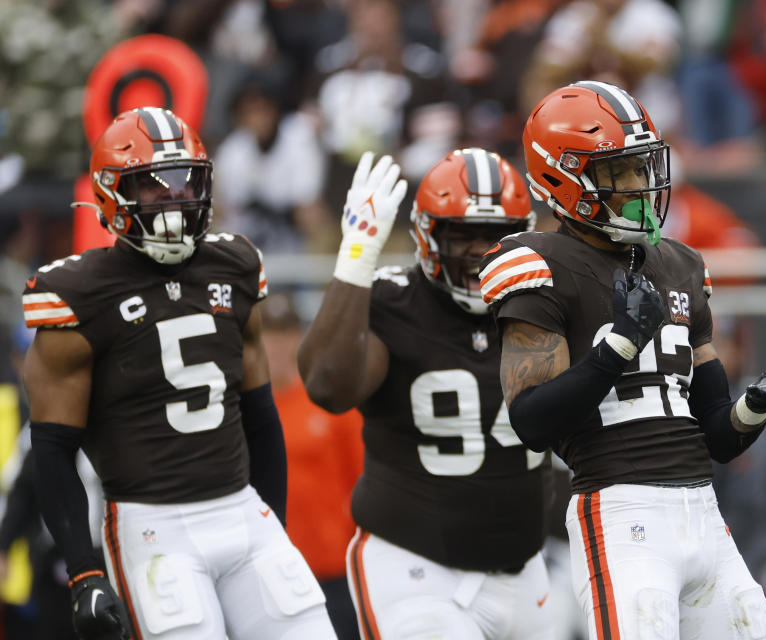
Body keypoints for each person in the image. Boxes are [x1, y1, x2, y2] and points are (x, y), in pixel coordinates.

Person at [479, 80, 766, 640]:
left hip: (704, 515)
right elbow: (532, 422)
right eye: (621, 173)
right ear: (563, 177)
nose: (641, 185)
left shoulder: (680, 265)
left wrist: (754, 402)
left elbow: (718, 438)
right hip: (620, 511)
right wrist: (617, 346)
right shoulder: (538, 263)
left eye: (642, 167)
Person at [21, 107, 336, 640]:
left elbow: (260, 416)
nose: (175, 199)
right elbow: (51, 449)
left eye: (185, 182)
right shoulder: (76, 293)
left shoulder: (234, 265)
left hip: (241, 511)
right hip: (153, 526)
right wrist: (84, 570)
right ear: (111, 195)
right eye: (153, 187)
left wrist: (272, 525)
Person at [298, 148, 556, 639]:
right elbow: (328, 387)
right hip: (416, 567)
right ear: (427, 235)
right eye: (463, 235)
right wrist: (357, 253)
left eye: (496, 235)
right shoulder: (393, 301)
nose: (483, 252)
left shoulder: (542, 305)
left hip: (524, 569)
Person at [260, 292, 365, 640]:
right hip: (270, 571)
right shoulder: (243, 411)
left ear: (298, 337)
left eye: (285, 333)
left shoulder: (327, 400)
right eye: (269, 334)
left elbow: (361, 479)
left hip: (332, 568)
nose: (277, 344)